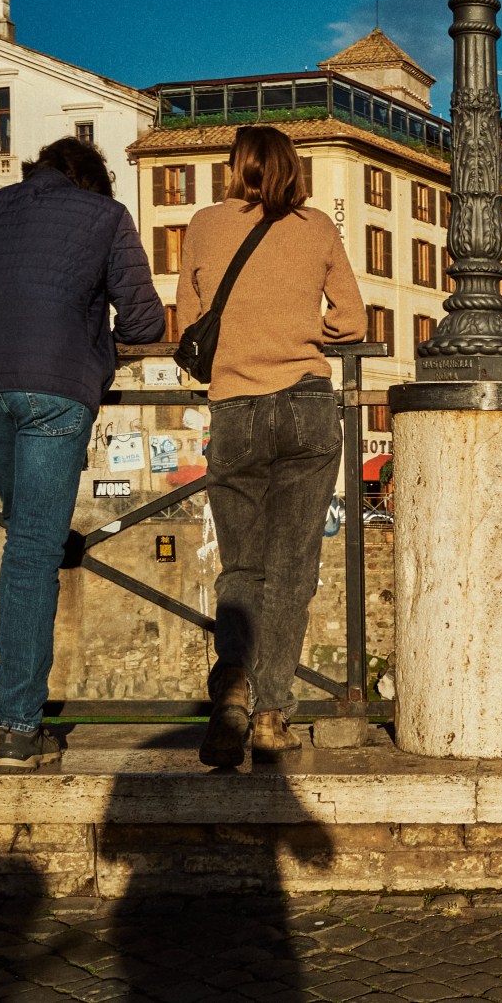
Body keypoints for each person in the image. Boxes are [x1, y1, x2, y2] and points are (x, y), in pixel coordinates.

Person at [0, 137, 165, 772]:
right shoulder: (105, 215)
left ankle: (10, 705)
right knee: (33, 551)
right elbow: (145, 323)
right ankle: (18, 727)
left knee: (27, 537)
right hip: (53, 387)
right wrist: (93, 338)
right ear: (93, 181)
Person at [176, 125, 365, 768]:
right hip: (306, 405)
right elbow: (352, 320)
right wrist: (301, 328)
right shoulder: (317, 228)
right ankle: (271, 715)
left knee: (241, 567)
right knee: (292, 569)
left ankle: (231, 692)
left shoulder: (203, 224)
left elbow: (189, 320)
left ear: (236, 168)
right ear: (292, 169)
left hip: (233, 409)